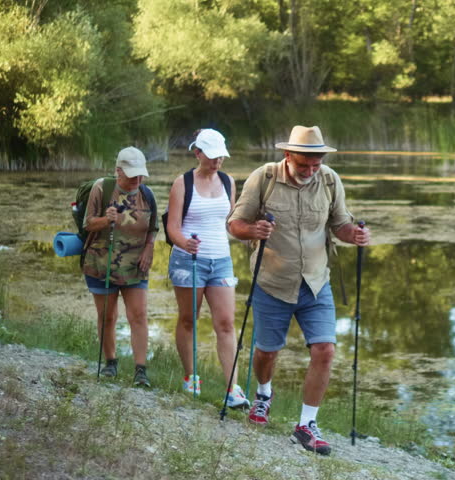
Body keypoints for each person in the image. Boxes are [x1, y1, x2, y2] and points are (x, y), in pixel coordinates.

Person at [228, 125, 370, 455]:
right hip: (272, 282)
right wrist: (254, 229)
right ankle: (264, 394)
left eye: (315, 164)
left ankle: (306, 425)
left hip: (316, 283)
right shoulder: (263, 178)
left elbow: (340, 224)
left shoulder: (330, 180)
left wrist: (355, 235)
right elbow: (235, 224)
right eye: (303, 164)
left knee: (325, 350)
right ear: (287, 155)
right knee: (266, 352)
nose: (309, 171)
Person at [165, 128, 250, 408]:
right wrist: (184, 242)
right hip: (188, 260)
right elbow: (172, 227)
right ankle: (191, 377)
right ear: (197, 153)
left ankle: (232, 389)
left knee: (226, 323)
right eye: (212, 156)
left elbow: (229, 223)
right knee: (189, 319)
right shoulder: (182, 183)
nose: (217, 162)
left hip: (221, 260)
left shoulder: (227, 182)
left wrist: (250, 233)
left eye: (221, 157)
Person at [83, 146, 157, 387]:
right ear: (118, 171)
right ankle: (110, 363)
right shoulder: (101, 189)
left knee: (139, 315)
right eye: (132, 175)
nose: (137, 180)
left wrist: (149, 248)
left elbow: (153, 228)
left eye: (140, 175)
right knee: (107, 316)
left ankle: (140, 370)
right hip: (101, 264)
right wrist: (107, 219)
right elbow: (89, 224)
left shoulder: (147, 195)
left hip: (136, 266)